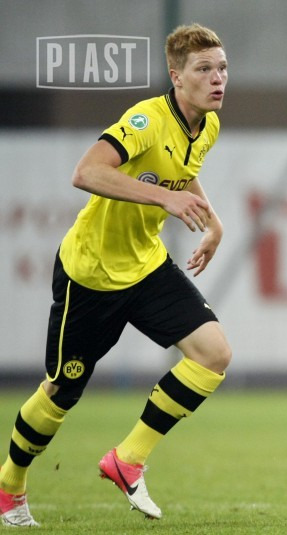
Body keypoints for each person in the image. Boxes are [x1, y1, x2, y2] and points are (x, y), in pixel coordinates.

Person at [0, 24, 231, 527]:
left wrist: (212, 221)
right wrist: (165, 198)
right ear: (176, 77)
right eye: (204, 69)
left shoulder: (207, 125)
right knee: (61, 391)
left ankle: (127, 460)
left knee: (213, 355)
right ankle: (9, 485)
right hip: (91, 274)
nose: (217, 79)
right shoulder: (146, 119)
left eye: (222, 68)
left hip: (145, 266)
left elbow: (183, 168)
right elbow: (86, 172)